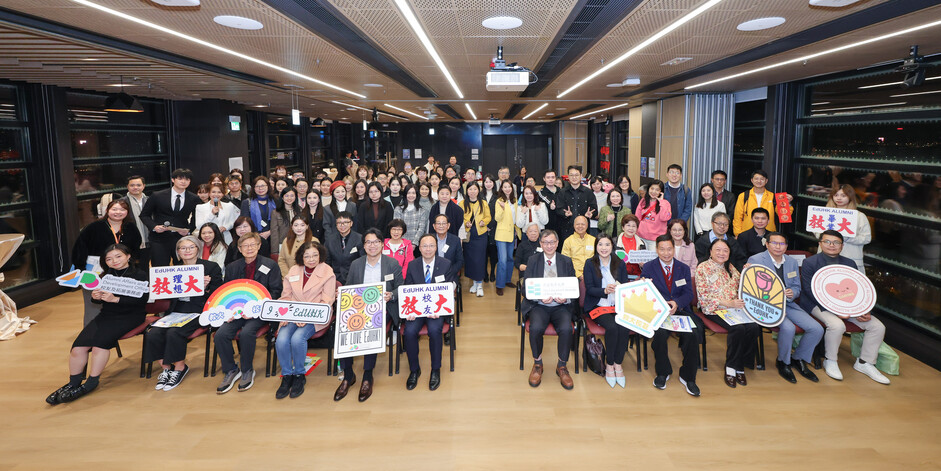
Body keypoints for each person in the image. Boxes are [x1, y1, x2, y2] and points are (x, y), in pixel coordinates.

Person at [46, 244, 150, 405]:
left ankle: (92, 382)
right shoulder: (104, 275)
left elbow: (142, 300)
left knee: (99, 346)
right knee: (78, 348)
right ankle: (73, 383)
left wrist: (116, 299)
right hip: (106, 315)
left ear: (128, 256)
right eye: (109, 259)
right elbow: (98, 300)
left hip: (131, 316)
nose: (114, 261)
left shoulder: (140, 274)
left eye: (118, 256)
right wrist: (95, 297)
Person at [800, 230, 889, 384]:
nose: (832, 245)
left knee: (877, 326)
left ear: (842, 246)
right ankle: (830, 360)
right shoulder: (810, 262)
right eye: (827, 241)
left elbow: (859, 289)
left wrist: (864, 310)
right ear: (820, 244)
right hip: (816, 304)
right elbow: (809, 291)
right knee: (837, 325)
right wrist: (836, 310)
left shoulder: (849, 263)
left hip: (847, 305)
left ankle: (865, 362)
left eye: (836, 242)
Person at [145, 236, 223, 391]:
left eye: (191, 247)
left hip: (199, 310)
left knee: (174, 332)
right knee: (153, 333)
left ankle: (180, 368)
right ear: (178, 252)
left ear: (198, 249)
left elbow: (218, 293)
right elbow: (165, 293)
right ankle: (166, 369)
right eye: (183, 248)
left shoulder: (210, 267)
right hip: (176, 310)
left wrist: (206, 288)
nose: (187, 251)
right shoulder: (172, 269)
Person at [334, 229, 403, 401]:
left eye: (376, 242)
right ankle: (348, 375)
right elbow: (349, 287)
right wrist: (341, 294)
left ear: (382, 244)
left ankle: (367, 375)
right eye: (368, 242)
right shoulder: (356, 264)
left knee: (372, 326)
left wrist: (391, 295)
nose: (372, 245)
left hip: (383, 308)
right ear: (364, 246)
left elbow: (401, 288)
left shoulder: (392, 263)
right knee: (344, 326)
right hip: (359, 308)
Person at [748, 232, 824, 384]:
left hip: (788, 303)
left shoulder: (791, 262)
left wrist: (792, 293)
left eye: (782, 244)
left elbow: (796, 287)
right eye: (774, 243)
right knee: (788, 328)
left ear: (786, 246)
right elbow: (750, 288)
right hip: (767, 305)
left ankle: (798, 358)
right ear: (767, 244)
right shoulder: (755, 260)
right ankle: (783, 362)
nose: (778, 246)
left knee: (817, 329)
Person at [214, 232, 283, 394]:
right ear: (239, 248)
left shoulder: (270, 265)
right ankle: (231, 369)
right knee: (220, 335)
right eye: (245, 245)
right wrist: (228, 311)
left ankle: (247, 370)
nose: (249, 248)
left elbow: (276, 291)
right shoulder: (232, 267)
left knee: (246, 333)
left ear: (259, 246)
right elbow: (227, 292)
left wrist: (255, 310)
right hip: (237, 312)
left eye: (253, 245)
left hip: (259, 312)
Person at [695, 238, 761, 389]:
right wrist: (728, 303)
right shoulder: (702, 268)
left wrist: (748, 272)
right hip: (714, 308)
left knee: (753, 327)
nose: (721, 253)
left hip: (734, 309)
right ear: (710, 252)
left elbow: (743, 285)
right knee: (738, 328)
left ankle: (740, 365)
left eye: (725, 250)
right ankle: (731, 368)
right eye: (717, 250)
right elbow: (704, 297)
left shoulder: (730, 267)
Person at [274, 241, 336, 399]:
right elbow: (286, 296)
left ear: (320, 255)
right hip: (292, 313)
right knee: (281, 339)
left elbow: (327, 301)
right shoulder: (294, 270)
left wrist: (306, 316)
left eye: (315, 255)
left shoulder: (327, 271)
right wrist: (285, 315)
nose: (311, 259)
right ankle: (287, 375)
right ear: (301, 257)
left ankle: (299, 375)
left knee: (297, 339)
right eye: (307, 256)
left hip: (316, 315)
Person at [642, 235, 702, 396]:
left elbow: (688, 293)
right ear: (656, 250)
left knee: (693, 334)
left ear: (674, 249)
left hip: (680, 310)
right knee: (660, 335)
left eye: (669, 249)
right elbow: (646, 293)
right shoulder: (648, 267)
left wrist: (677, 303)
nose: (666, 253)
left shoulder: (683, 268)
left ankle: (688, 377)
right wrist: (662, 305)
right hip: (658, 311)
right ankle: (663, 372)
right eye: (662, 249)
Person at [71, 199, 142, 325]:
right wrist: (81, 270)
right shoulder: (94, 227)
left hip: (121, 273)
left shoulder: (131, 227)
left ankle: (115, 330)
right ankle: (91, 332)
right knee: (94, 304)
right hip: (95, 272)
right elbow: (79, 248)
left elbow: (136, 249)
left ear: (127, 212)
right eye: (114, 209)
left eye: (122, 209)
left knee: (118, 302)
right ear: (107, 211)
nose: (118, 212)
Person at [522, 230, 576, 390]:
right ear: (540, 244)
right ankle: (538, 363)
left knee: (566, 329)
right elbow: (525, 288)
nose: (549, 246)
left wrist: (566, 297)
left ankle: (562, 366)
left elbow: (573, 285)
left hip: (561, 306)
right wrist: (539, 297)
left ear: (557, 243)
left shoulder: (566, 261)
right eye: (545, 242)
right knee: (535, 328)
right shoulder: (533, 260)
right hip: (540, 305)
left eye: (552, 242)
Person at [402, 234, 453, 392]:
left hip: (436, 310)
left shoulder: (445, 264)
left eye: (431, 245)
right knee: (409, 331)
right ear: (419, 248)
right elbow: (408, 289)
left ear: (436, 247)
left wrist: (440, 309)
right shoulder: (413, 265)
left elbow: (450, 288)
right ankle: (414, 369)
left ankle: (435, 369)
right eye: (424, 246)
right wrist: (409, 310)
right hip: (417, 310)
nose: (428, 249)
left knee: (434, 330)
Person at [583, 234, 632, 388]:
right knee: (612, 327)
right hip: (598, 305)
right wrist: (604, 290)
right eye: (600, 245)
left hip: (617, 304)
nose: (603, 248)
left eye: (607, 245)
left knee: (624, 326)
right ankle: (610, 364)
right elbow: (590, 289)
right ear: (596, 246)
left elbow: (625, 285)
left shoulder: (620, 263)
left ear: (612, 247)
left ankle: (618, 363)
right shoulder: (590, 263)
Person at [140, 168, 199, 266]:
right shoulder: (157, 195)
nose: (183, 181)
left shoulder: (194, 198)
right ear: (173, 179)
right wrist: (154, 227)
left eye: (187, 179)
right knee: (160, 267)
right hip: (159, 239)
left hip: (181, 239)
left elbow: (197, 217)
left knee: (182, 267)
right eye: (180, 179)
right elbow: (144, 215)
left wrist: (189, 230)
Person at [821, 184, 872, 273]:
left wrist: (848, 238)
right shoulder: (824, 214)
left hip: (851, 258)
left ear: (850, 197)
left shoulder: (859, 216)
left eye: (843, 195)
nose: (839, 198)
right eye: (836, 195)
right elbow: (817, 232)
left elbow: (866, 238)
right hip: (826, 258)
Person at [732, 169, 791, 235]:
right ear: (752, 180)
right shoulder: (744, 196)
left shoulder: (773, 196)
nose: (759, 181)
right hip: (747, 232)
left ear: (766, 181)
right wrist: (738, 234)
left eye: (762, 179)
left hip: (769, 233)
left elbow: (784, 216)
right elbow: (737, 218)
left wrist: (788, 203)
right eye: (756, 179)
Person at [463, 182, 492, 297]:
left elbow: (488, 216)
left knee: (479, 259)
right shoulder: (462, 203)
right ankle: (474, 283)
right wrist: (466, 222)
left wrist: (483, 222)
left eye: (475, 189)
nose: (472, 191)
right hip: (468, 235)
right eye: (470, 189)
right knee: (470, 260)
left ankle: (480, 284)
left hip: (480, 235)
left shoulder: (483, 203)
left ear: (478, 190)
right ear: (467, 191)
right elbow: (460, 217)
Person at [490, 180, 518, 296]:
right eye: (505, 187)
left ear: (512, 188)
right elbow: (497, 218)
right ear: (501, 188)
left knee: (510, 259)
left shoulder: (515, 200)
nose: (507, 189)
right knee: (502, 260)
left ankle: (507, 280)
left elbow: (516, 217)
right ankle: (499, 285)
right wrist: (502, 208)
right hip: (501, 234)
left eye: (509, 187)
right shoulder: (499, 201)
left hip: (512, 233)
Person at [557, 166, 597, 242]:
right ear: (568, 176)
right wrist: (564, 213)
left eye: (576, 175)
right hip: (566, 229)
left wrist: (591, 214)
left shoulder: (588, 192)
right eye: (571, 175)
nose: (574, 177)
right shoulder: (562, 192)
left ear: (581, 176)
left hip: (584, 230)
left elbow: (594, 209)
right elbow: (558, 209)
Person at [122, 175, 151, 269]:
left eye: (138, 185)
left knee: (146, 267)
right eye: (132, 185)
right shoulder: (122, 202)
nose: (135, 187)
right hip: (131, 242)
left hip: (150, 240)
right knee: (132, 267)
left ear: (143, 186)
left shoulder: (150, 200)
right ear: (127, 186)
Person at [239, 176, 275, 247]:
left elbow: (280, 222)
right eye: (257, 186)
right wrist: (256, 234)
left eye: (263, 186)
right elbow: (245, 222)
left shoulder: (275, 201)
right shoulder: (247, 203)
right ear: (254, 188)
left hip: (273, 236)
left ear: (268, 186)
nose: (260, 188)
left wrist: (269, 232)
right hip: (253, 238)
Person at [634, 179, 671, 248]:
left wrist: (661, 202)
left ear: (661, 192)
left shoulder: (665, 203)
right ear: (648, 189)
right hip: (641, 237)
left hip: (656, 239)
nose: (654, 191)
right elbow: (637, 218)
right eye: (652, 188)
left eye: (657, 190)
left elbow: (664, 218)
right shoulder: (643, 201)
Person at [394, 184, 429, 249]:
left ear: (417, 195)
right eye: (408, 193)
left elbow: (421, 228)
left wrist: (414, 243)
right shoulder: (398, 209)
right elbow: (397, 227)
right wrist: (404, 242)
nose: (411, 195)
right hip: (401, 244)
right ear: (405, 194)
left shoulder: (422, 210)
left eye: (413, 193)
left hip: (417, 245)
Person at [432, 214, 464, 283]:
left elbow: (460, 261)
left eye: (444, 223)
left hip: (450, 275)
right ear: (434, 226)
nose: (441, 226)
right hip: (432, 275)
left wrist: (448, 272)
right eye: (438, 223)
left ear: (448, 225)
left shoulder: (455, 240)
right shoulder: (429, 239)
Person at [616, 214, 646, 280]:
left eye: (634, 226)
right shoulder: (615, 242)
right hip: (620, 276)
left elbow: (645, 266)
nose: (631, 228)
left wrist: (643, 265)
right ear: (623, 227)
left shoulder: (641, 243)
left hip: (638, 277)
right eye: (628, 225)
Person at [483, 174, 499, 283]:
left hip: (495, 228)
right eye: (486, 182)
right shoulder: (480, 195)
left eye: (490, 182)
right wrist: (485, 225)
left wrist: (490, 225)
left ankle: (493, 271)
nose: (488, 184)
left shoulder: (498, 196)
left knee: (493, 253)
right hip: (482, 228)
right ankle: (484, 272)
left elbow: (498, 213)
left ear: (494, 183)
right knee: (483, 253)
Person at [539, 169, 562, 235]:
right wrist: (550, 205)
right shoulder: (541, 192)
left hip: (561, 224)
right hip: (548, 225)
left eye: (552, 177)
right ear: (544, 179)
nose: (550, 179)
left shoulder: (561, 191)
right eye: (548, 177)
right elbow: (547, 201)